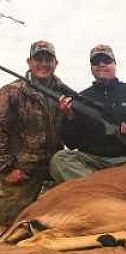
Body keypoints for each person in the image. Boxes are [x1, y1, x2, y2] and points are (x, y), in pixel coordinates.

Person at [50, 44, 126, 183]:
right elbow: (72, 143)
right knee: (60, 160)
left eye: (106, 60)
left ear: (115, 64)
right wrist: (69, 116)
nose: (101, 64)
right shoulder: (81, 98)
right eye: (96, 62)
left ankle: (96, 187)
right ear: (91, 67)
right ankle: (105, 188)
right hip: (91, 162)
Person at [0, 40, 72, 226]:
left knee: (72, 215)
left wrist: (70, 116)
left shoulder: (68, 95)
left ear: (56, 63)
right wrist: (7, 168)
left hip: (55, 166)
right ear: (29, 62)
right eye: (38, 59)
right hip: (23, 170)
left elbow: (75, 138)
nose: (43, 64)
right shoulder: (12, 92)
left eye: (48, 59)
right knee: (9, 220)